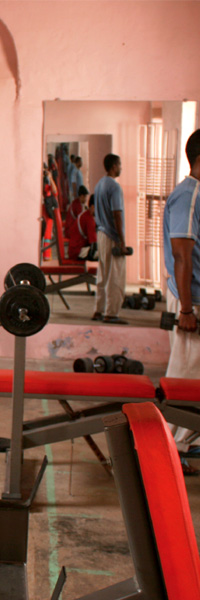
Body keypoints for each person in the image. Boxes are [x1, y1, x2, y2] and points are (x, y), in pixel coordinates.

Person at [162, 128, 200, 469]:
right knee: (186, 375)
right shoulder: (190, 195)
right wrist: (187, 309)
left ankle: (187, 441)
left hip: (195, 298)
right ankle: (173, 447)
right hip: (192, 301)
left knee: (194, 374)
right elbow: (181, 255)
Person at [92, 153, 127, 324]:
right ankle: (111, 313)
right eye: (119, 165)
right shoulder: (114, 187)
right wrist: (122, 241)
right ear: (114, 166)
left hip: (101, 234)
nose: (121, 168)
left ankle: (98, 310)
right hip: (112, 235)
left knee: (103, 274)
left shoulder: (99, 185)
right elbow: (117, 214)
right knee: (115, 276)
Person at [66, 194, 97, 261]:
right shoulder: (89, 219)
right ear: (92, 207)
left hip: (73, 249)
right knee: (103, 252)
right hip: (77, 251)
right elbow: (94, 243)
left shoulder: (85, 214)